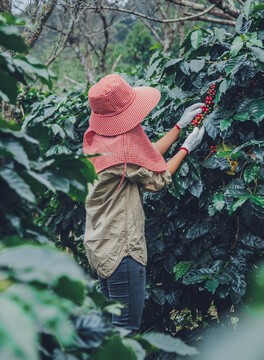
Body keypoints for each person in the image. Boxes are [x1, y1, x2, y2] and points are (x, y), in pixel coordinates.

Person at [82, 74, 206, 335]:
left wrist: (178, 127)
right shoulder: (122, 152)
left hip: (100, 244)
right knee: (125, 331)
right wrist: (186, 148)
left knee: (111, 331)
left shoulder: (98, 138)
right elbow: (157, 178)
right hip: (121, 250)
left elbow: (145, 155)